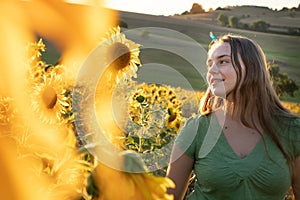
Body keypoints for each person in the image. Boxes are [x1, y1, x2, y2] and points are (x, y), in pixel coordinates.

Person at [166, 33, 300, 200]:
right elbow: (168, 197)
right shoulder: (197, 129)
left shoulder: (292, 130)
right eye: (209, 65)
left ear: (251, 67)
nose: (212, 72)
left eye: (223, 61)